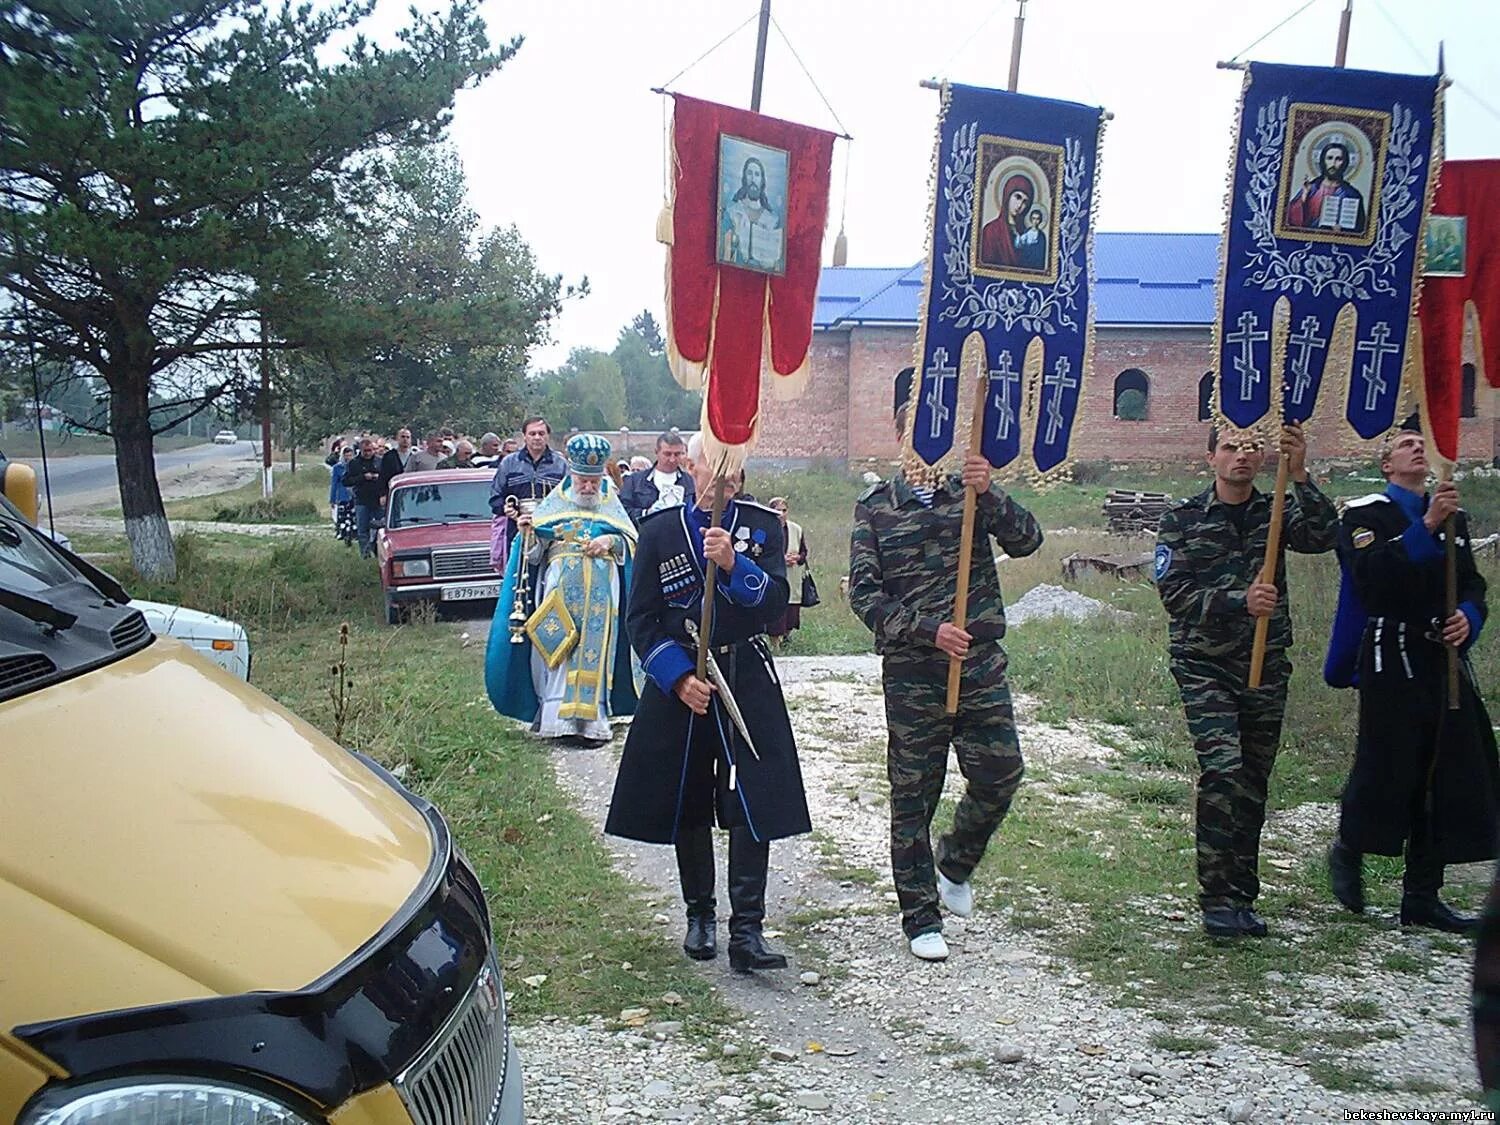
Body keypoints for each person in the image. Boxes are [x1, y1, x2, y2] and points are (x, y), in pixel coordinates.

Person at [848, 368, 1043, 962]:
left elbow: (1029, 541)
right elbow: (864, 596)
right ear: (901, 431)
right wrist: (929, 630)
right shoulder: (877, 509)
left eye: (939, 428)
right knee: (914, 794)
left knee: (1001, 772)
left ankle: (954, 863)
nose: (927, 439)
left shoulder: (970, 495)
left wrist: (993, 493)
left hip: (980, 666)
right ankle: (919, 915)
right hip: (914, 675)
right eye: (916, 427)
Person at [605, 432, 810, 974]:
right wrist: (676, 679)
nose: (724, 482)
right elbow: (642, 621)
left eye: (733, 472)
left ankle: (748, 930)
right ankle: (701, 915)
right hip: (686, 683)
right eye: (712, 470)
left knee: (753, 800)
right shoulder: (658, 532)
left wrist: (736, 566)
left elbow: (774, 604)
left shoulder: (763, 527)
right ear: (689, 468)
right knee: (688, 796)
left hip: (744, 674)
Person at [1155, 424, 1338, 938]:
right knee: (1223, 768)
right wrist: (1241, 601)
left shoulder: (1275, 511)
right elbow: (1176, 596)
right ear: (1210, 456)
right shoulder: (1183, 519)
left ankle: (1241, 894)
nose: (1242, 456)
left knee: (1253, 781)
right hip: (1204, 664)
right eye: (1231, 448)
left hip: (1266, 665)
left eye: (1253, 448)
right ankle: (1215, 897)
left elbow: (1324, 536)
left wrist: (1299, 472)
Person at [1323, 428, 1500, 933]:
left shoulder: (1455, 515)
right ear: (1386, 464)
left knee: (1447, 767)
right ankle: (1350, 848)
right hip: (1390, 651)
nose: (1417, 448)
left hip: (1441, 656)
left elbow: (1470, 582)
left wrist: (1469, 614)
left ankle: (1422, 893)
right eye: (1405, 444)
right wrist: (1425, 525)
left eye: (1422, 443)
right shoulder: (1365, 515)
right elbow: (1373, 576)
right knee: (1389, 763)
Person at [486, 434, 638, 745]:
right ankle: (558, 721)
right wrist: (528, 534)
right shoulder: (553, 506)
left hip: (601, 595)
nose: (588, 488)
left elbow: (631, 544)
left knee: (597, 651)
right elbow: (531, 557)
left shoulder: (612, 508)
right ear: (572, 476)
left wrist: (610, 541)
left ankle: (592, 723)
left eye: (594, 482)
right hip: (558, 594)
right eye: (582, 481)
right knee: (558, 649)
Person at [489, 416, 567, 594]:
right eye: (532, 433)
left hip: (552, 533)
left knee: (552, 581)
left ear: (548, 436)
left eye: (541, 433)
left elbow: (569, 497)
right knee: (520, 581)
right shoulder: (509, 463)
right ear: (524, 436)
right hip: (517, 531)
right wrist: (507, 510)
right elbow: (495, 498)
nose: (537, 437)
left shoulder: (561, 464)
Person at [1286, 139, 1367, 236]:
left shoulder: (1352, 194)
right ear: (1323, 161)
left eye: (1338, 159)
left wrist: (1344, 231)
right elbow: (1291, 221)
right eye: (1329, 158)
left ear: (1345, 163)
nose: (1333, 164)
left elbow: (1360, 229)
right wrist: (1303, 198)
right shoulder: (1312, 188)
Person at [620, 431, 696, 523]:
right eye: (667, 454)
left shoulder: (692, 482)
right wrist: (646, 513)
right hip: (645, 534)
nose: (672, 459)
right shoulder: (634, 481)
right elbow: (622, 512)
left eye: (677, 454)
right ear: (656, 452)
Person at [721, 156, 782, 270]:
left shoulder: (772, 219)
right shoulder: (733, 211)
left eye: (757, 174)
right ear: (744, 177)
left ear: (762, 180)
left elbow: (777, 263)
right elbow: (725, 253)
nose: (753, 179)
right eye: (750, 173)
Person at [766, 496, 807, 648]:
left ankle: (787, 638)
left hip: (793, 577)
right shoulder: (766, 528)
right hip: (775, 576)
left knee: (791, 611)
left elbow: (804, 552)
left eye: (784, 510)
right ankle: (775, 643)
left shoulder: (796, 529)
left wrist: (797, 557)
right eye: (778, 511)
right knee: (776, 611)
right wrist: (781, 560)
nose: (781, 514)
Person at [980, 173, 1033, 270]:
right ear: (1008, 195)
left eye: (1025, 202)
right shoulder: (991, 230)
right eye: (1017, 197)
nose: (1020, 205)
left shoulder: (1026, 233)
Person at [345, 436, 386, 559]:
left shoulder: (380, 461)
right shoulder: (354, 463)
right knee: (363, 530)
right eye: (365, 451)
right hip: (362, 500)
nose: (368, 453)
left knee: (381, 528)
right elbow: (346, 481)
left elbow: (387, 478)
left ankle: (380, 554)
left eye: (370, 450)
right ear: (360, 450)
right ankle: (365, 555)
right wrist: (363, 477)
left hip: (378, 500)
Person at [329, 445, 356, 544]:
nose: (348, 458)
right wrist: (332, 499)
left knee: (353, 516)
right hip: (342, 496)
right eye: (346, 455)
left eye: (350, 455)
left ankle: (353, 534)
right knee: (343, 517)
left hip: (353, 496)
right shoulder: (338, 468)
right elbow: (334, 484)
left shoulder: (355, 466)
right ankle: (343, 534)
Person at [379, 427, 415, 499]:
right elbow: (383, 476)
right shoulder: (389, 456)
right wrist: (382, 494)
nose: (405, 439)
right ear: (397, 438)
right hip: (394, 492)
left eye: (408, 437)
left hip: (411, 493)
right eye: (402, 437)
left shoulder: (415, 456)